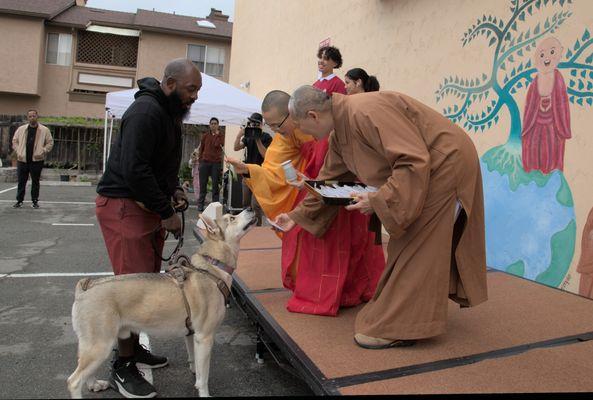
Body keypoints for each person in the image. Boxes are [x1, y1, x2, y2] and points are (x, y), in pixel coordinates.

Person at [275, 86, 488, 349]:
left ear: (313, 116)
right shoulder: (340, 132)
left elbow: (413, 160)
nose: (306, 135)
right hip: (426, 169)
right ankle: (408, 313)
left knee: (416, 243)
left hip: (445, 163)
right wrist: (295, 217)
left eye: (303, 128)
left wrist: (379, 200)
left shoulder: (365, 111)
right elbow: (329, 181)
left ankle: (402, 325)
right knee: (411, 243)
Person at [226, 90, 385, 317]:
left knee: (352, 243)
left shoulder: (335, 123)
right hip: (315, 188)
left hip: (344, 187)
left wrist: (314, 186)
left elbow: (332, 168)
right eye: (270, 126)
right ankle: (322, 288)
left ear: (297, 115)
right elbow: (275, 171)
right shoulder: (286, 135)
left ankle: (348, 290)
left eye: (277, 124)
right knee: (306, 237)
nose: (276, 131)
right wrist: (250, 169)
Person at [95, 58, 199, 397]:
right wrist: (166, 210)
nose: (194, 96)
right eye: (190, 89)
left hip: (143, 206)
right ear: (169, 83)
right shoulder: (146, 112)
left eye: (197, 90)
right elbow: (135, 169)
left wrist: (175, 190)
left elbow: (159, 167)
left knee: (146, 285)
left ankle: (133, 350)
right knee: (130, 292)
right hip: (125, 206)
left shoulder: (168, 113)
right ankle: (121, 366)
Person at [233, 112, 273, 225]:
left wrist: (258, 139)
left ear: (261, 124)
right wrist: (239, 135)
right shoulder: (248, 136)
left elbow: (265, 155)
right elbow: (236, 148)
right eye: (252, 123)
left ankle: (257, 229)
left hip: (260, 175)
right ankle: (246, 227)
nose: (253, 126)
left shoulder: (266, 137)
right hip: (247, 174)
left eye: (256, 124)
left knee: (256, 205)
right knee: (245, 203)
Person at [11, 109, 54, 209]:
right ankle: (19, 201)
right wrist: (18, 151)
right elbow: (14, 141)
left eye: (34, 116)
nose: (32, 118)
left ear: (37, 116)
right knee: (22, 181)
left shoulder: (44, 130)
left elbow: (50, 143)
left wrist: (43, 150)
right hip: (23, 160)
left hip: (37, 160)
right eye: (30, 116)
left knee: (35, 181)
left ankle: (35, 201)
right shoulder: (21, 129)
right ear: (27, 118)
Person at [197, 117, 225, 212]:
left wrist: (216, 135)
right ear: (209, 125)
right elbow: (201, 149)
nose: (213, 125)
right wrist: (200, 161)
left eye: (215, 123)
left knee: (215, 186)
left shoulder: (221, 136)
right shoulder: (205, 136)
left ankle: (215, 206)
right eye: (212, 123)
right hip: (204, 162)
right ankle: (200, 205)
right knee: (203, 185)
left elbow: (217, 144)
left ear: (218, 125)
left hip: (215, 163)